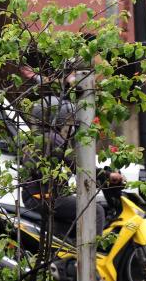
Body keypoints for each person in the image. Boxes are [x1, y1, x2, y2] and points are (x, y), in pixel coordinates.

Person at [19, 96, 125, 239]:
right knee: (96, 211)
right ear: (57, 117)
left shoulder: (35, 137)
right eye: (65, 116)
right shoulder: (52, 138)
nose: (66, 120)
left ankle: (72, 248)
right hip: (44, 197)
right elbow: (76, 166)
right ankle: (93, 252)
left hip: (34, 196)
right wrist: (107, 175)